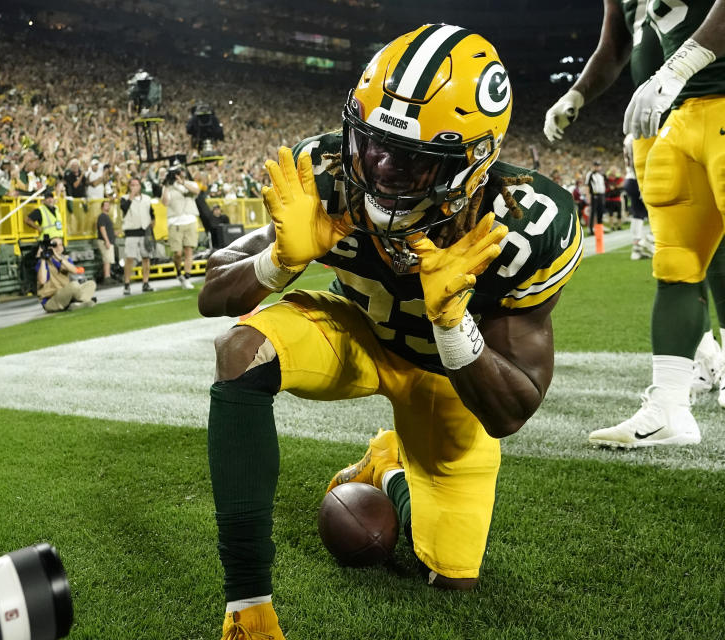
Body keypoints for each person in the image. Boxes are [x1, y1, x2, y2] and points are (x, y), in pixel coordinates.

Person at [198, 26, 581, 638]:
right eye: (373, 144)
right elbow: (211, 294)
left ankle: (390, 469)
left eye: (414, 157)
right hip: (356, 335)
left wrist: (453, 324)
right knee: (242, 351)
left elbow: (513, 409)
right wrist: (276, 262)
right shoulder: (324, 172)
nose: (381, 166)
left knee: (453, 578)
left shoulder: (526, 223)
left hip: (447, 377)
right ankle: (248, 606)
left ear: (474, 162)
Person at [546, 0, 725, 444]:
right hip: (675, 116)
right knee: (676, 264)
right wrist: (577, 93)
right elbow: (616, 44)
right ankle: (670, 408)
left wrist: (676, 68)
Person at [161, 165, 200, 290]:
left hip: (190, 219)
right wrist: (166, 185)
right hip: (175, 222)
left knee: (189, 250)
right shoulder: (168, 188)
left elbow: (196, 191)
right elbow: (165, 202)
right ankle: (178, 272)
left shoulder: (190, 183)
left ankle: (187, 277)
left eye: (181, 171)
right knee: (177, 253)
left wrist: (183, 182)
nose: (179, 174)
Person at [36, 237, 97, 312]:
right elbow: (42, 281)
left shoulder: (65, 259)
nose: (58, 247)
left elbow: (74, 270)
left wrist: (58, 258)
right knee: (73, 285)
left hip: (67, 295)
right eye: (55, 245)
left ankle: (76, 304)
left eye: (61, 245)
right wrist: (42, 259)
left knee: (91, 283)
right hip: (51, 300)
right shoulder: (43, 262)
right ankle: (83, 301)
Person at [622, 134, 654, 261]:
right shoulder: (637, 137)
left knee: (638, 214)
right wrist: (641, 183)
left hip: (630, 178)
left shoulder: (628, 138)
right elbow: (637, 161)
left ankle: (636, 249)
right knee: (653, 210)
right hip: (637, 179)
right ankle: (649, 241)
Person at [120, 176, 154, 295]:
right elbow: (124, 208)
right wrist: (131, 196)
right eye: (132, 185)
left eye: (136, 185)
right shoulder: (124, 198)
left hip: (144, 231)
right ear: (129, 187)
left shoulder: (147, 199)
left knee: (146, 258)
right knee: (130, 258)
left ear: (140, 186)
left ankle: (145, 282)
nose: (134, 187)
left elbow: (152, 214)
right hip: (131, 232)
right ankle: (127, 284)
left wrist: (151, 229)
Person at [95, 199, 116, 284]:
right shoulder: (102, 216)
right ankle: (106, 277)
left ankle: (108, 276)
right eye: (105, 205)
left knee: (109, 259)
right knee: (107, 260)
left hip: (109, 241)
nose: (107, 207)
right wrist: (106, 240)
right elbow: (102, 228)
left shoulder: (106, 216)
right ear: (102, 207)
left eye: (108, 205)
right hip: (105, 241)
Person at [584, 160, 607, 234]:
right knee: (593, 212)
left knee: (600, 212)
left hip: (601, 195)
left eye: (598, 166)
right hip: (594, 195)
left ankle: (599, 229)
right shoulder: (590, 174)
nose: (597, 167)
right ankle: (590, 229)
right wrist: (588, 196)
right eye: (596, 166)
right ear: (593, 166)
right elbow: (587, 185)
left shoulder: (601, 175)